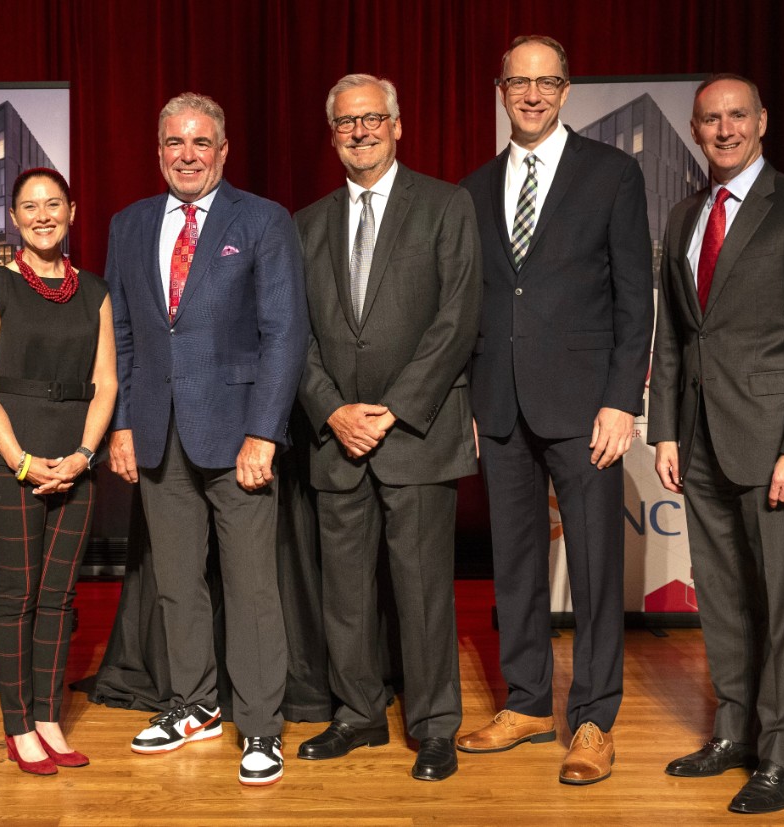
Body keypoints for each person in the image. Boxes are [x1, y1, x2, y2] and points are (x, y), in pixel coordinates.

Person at [649, 74, 784, 815]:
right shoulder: (682, 216)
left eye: (738, 115)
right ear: (696, 130)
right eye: (711, 119)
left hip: (777, 447)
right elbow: (674, 337)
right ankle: (733, 731)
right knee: (726, 601)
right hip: (700, 443)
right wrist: (665, 428)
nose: (725, 128)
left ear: (762, 121)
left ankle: (782, 756)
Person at [458, 35, 653, 785]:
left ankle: (595, 718)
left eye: (546, 82)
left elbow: (635, 299)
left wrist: (619, 400)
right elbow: (479, 303)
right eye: (518, 82)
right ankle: (531, 701)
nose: (532, 94)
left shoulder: (613, 173)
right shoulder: (474, 189)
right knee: (514, 564)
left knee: (599, 568)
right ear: (502, 89)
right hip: (501, 405)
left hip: (584, 407)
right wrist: (475, 398)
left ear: (567, 90)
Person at [105, 92, 307, 786]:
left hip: (238, 435)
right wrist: (124, 422)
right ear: (158, 150)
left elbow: (286, 335)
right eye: (174, 143)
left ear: (224, 151)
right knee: (176, 582)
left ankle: (260, 724)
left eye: (200, 143)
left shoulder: (263, 220)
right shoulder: (128, 225)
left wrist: (265, 433)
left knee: (252, 587)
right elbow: (126, 336)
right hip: (158, 433)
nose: (187, 155)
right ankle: (193, 704)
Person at [294, 74, 482, 782]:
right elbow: (295, 336)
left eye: (373, 119)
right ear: (332, 134)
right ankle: (358, 714)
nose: (361, 131)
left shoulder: (446, 205)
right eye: (347, 123)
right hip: (336, 436)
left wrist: (395, 407)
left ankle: (434, 726)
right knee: (344, 589)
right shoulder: (305, 223)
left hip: (416, 431)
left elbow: (458, 317)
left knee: (424, 589)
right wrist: (332, 408)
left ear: (398, 125)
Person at [0, 167, 116, 776]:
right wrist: (22, 460)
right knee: (17, 595)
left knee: (59, 597)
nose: (43, 214)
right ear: (14, 217)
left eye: (54, 203)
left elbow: (105, 385)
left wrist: (81, 457)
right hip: (11, 462)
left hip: (76, 459)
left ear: (73, 211)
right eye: (30, 206)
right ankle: (18, 725)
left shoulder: (96, 291)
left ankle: (49, 716)